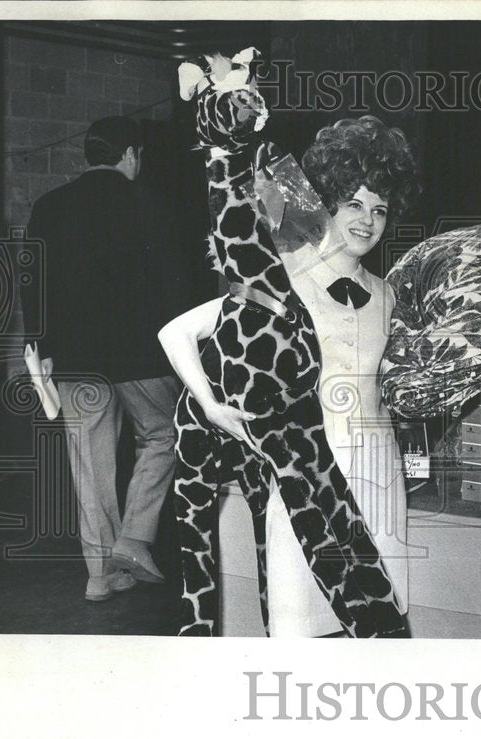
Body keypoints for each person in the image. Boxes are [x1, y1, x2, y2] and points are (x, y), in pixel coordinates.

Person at [161, 49, 413, 637]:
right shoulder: (283, 280)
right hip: (306, 476)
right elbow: (178, 332)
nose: (367, 220)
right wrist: (214, 408)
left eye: (379, 208)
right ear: (327, 203)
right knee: (298, 633)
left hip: (381, 473)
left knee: (380, 632)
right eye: (353, 202)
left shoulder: (389, 294)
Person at [24, 116, 180, 601]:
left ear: (88, 156)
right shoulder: (152, 203)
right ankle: (134, 539)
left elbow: (34, 280)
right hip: (141, 356)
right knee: (165, 434)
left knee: (89, 463)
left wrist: (42, 347)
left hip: (73, 359)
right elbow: (173, 286)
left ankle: (100, 574)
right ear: (131, 155)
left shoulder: (48, 205)